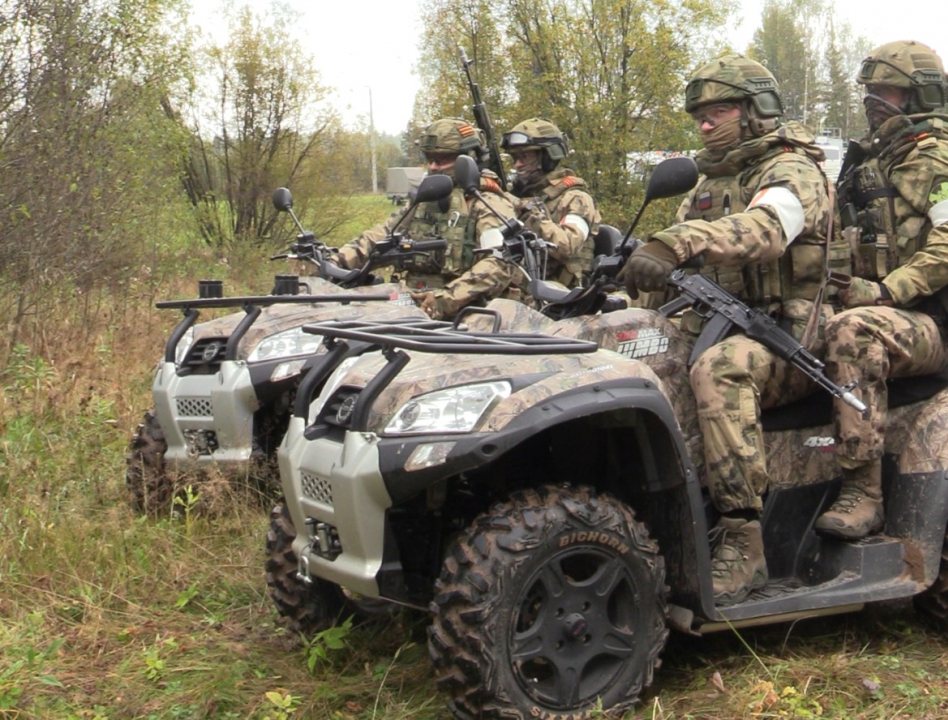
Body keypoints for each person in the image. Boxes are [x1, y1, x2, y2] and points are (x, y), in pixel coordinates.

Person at [619, 53, 841, 604]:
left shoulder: (793, 172)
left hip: (791, 342)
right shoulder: (710, 185)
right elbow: (672, 261)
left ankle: (743, 541)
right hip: (718, 323)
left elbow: (767, 230)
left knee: (722, 370)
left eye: (716, 111)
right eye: (699, 114)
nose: (704, 124)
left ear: (755, 110)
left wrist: (681, 243)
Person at [816, 39, 948, 539]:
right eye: (869, 89)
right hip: (893, 312)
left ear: (918, 96)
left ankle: (863, 492)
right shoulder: (871, 158)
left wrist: (885, 293)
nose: (872, 100)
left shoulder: (933, 155)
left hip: (937, 320)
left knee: (851, 333)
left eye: (887, 90)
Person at [336, 118, 521, 320]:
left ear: (467, 160)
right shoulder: (422, 200)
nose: (433, 167)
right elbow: (380, 236)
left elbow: (499, 262)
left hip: (468, 311)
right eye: (429, 159)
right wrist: (337, 261)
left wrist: (446, 298)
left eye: (442, 159)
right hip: (411, 304)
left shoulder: (486, 203)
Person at [503, 118, 601, 287]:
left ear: (547, 157)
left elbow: (567, 245)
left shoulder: (575, 198)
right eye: (515, 158)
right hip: (520, 287)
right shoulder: (519, 194)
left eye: (524, 157)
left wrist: (528, 212)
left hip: (561, 297)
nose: (517, 165)